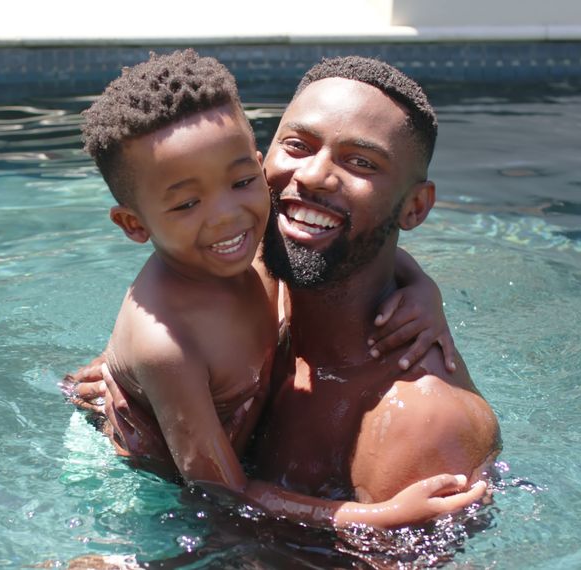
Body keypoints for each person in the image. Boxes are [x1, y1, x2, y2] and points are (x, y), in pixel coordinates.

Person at [67, 49, 487, 529]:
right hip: (137, 497)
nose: (310, 176)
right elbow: (217, 488)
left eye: (361, 162)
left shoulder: (425, 422)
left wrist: (423, 286)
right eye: (298, 146)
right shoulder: (197, 311)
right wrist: (369, 517)